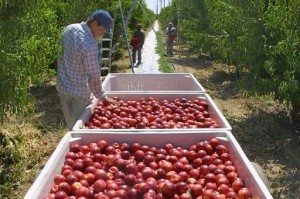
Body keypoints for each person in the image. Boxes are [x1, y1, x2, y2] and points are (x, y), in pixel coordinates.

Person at [56, 10, 117, 130]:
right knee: (79, 129)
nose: (102, 33)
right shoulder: (89, 43)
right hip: (79, 93)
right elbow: (93, 75)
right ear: (95, 23)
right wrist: (102, 97)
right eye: (102, 29)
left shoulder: (69, 28)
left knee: (71, 126)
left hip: (63, 88)